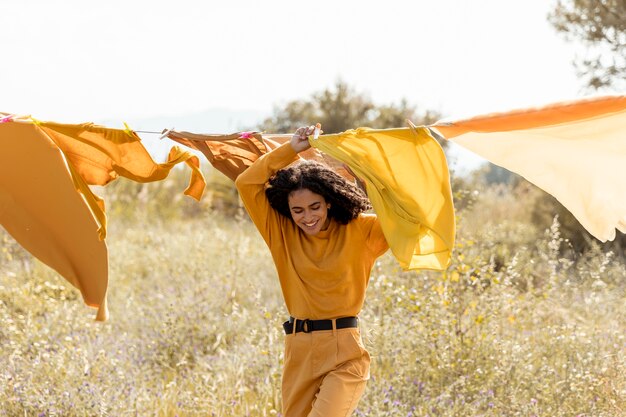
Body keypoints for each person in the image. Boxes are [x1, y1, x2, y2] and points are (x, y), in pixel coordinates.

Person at [235, 125, 389, 417]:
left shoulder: (362, 229)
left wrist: (363, 173)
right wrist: (292, 148)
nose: (307, 217)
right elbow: (246, 183)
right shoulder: (280, 232)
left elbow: (403, 215)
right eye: (298, 210)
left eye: (315, 207)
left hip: (345, 352)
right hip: (299, 350)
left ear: (329, 201)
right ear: (287, 209)